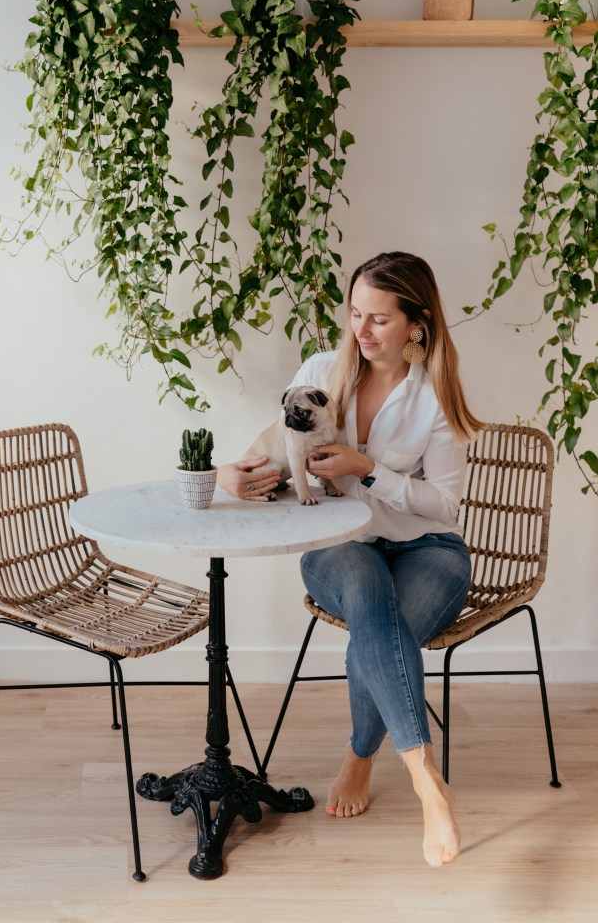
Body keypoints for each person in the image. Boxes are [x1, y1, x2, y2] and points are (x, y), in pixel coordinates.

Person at [217, 251, 483, 868]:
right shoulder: (319, 372)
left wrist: (369, 470)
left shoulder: (434, 398)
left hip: (428, 550)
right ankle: (425, 778)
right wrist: (230, 474)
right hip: (341, 549)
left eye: (379, 320)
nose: (360, 332)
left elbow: (443, 507)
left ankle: (361, 754)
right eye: (355, 314)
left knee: (377, 630)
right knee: (370, 598)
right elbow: (276, 448)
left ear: (417, 323)